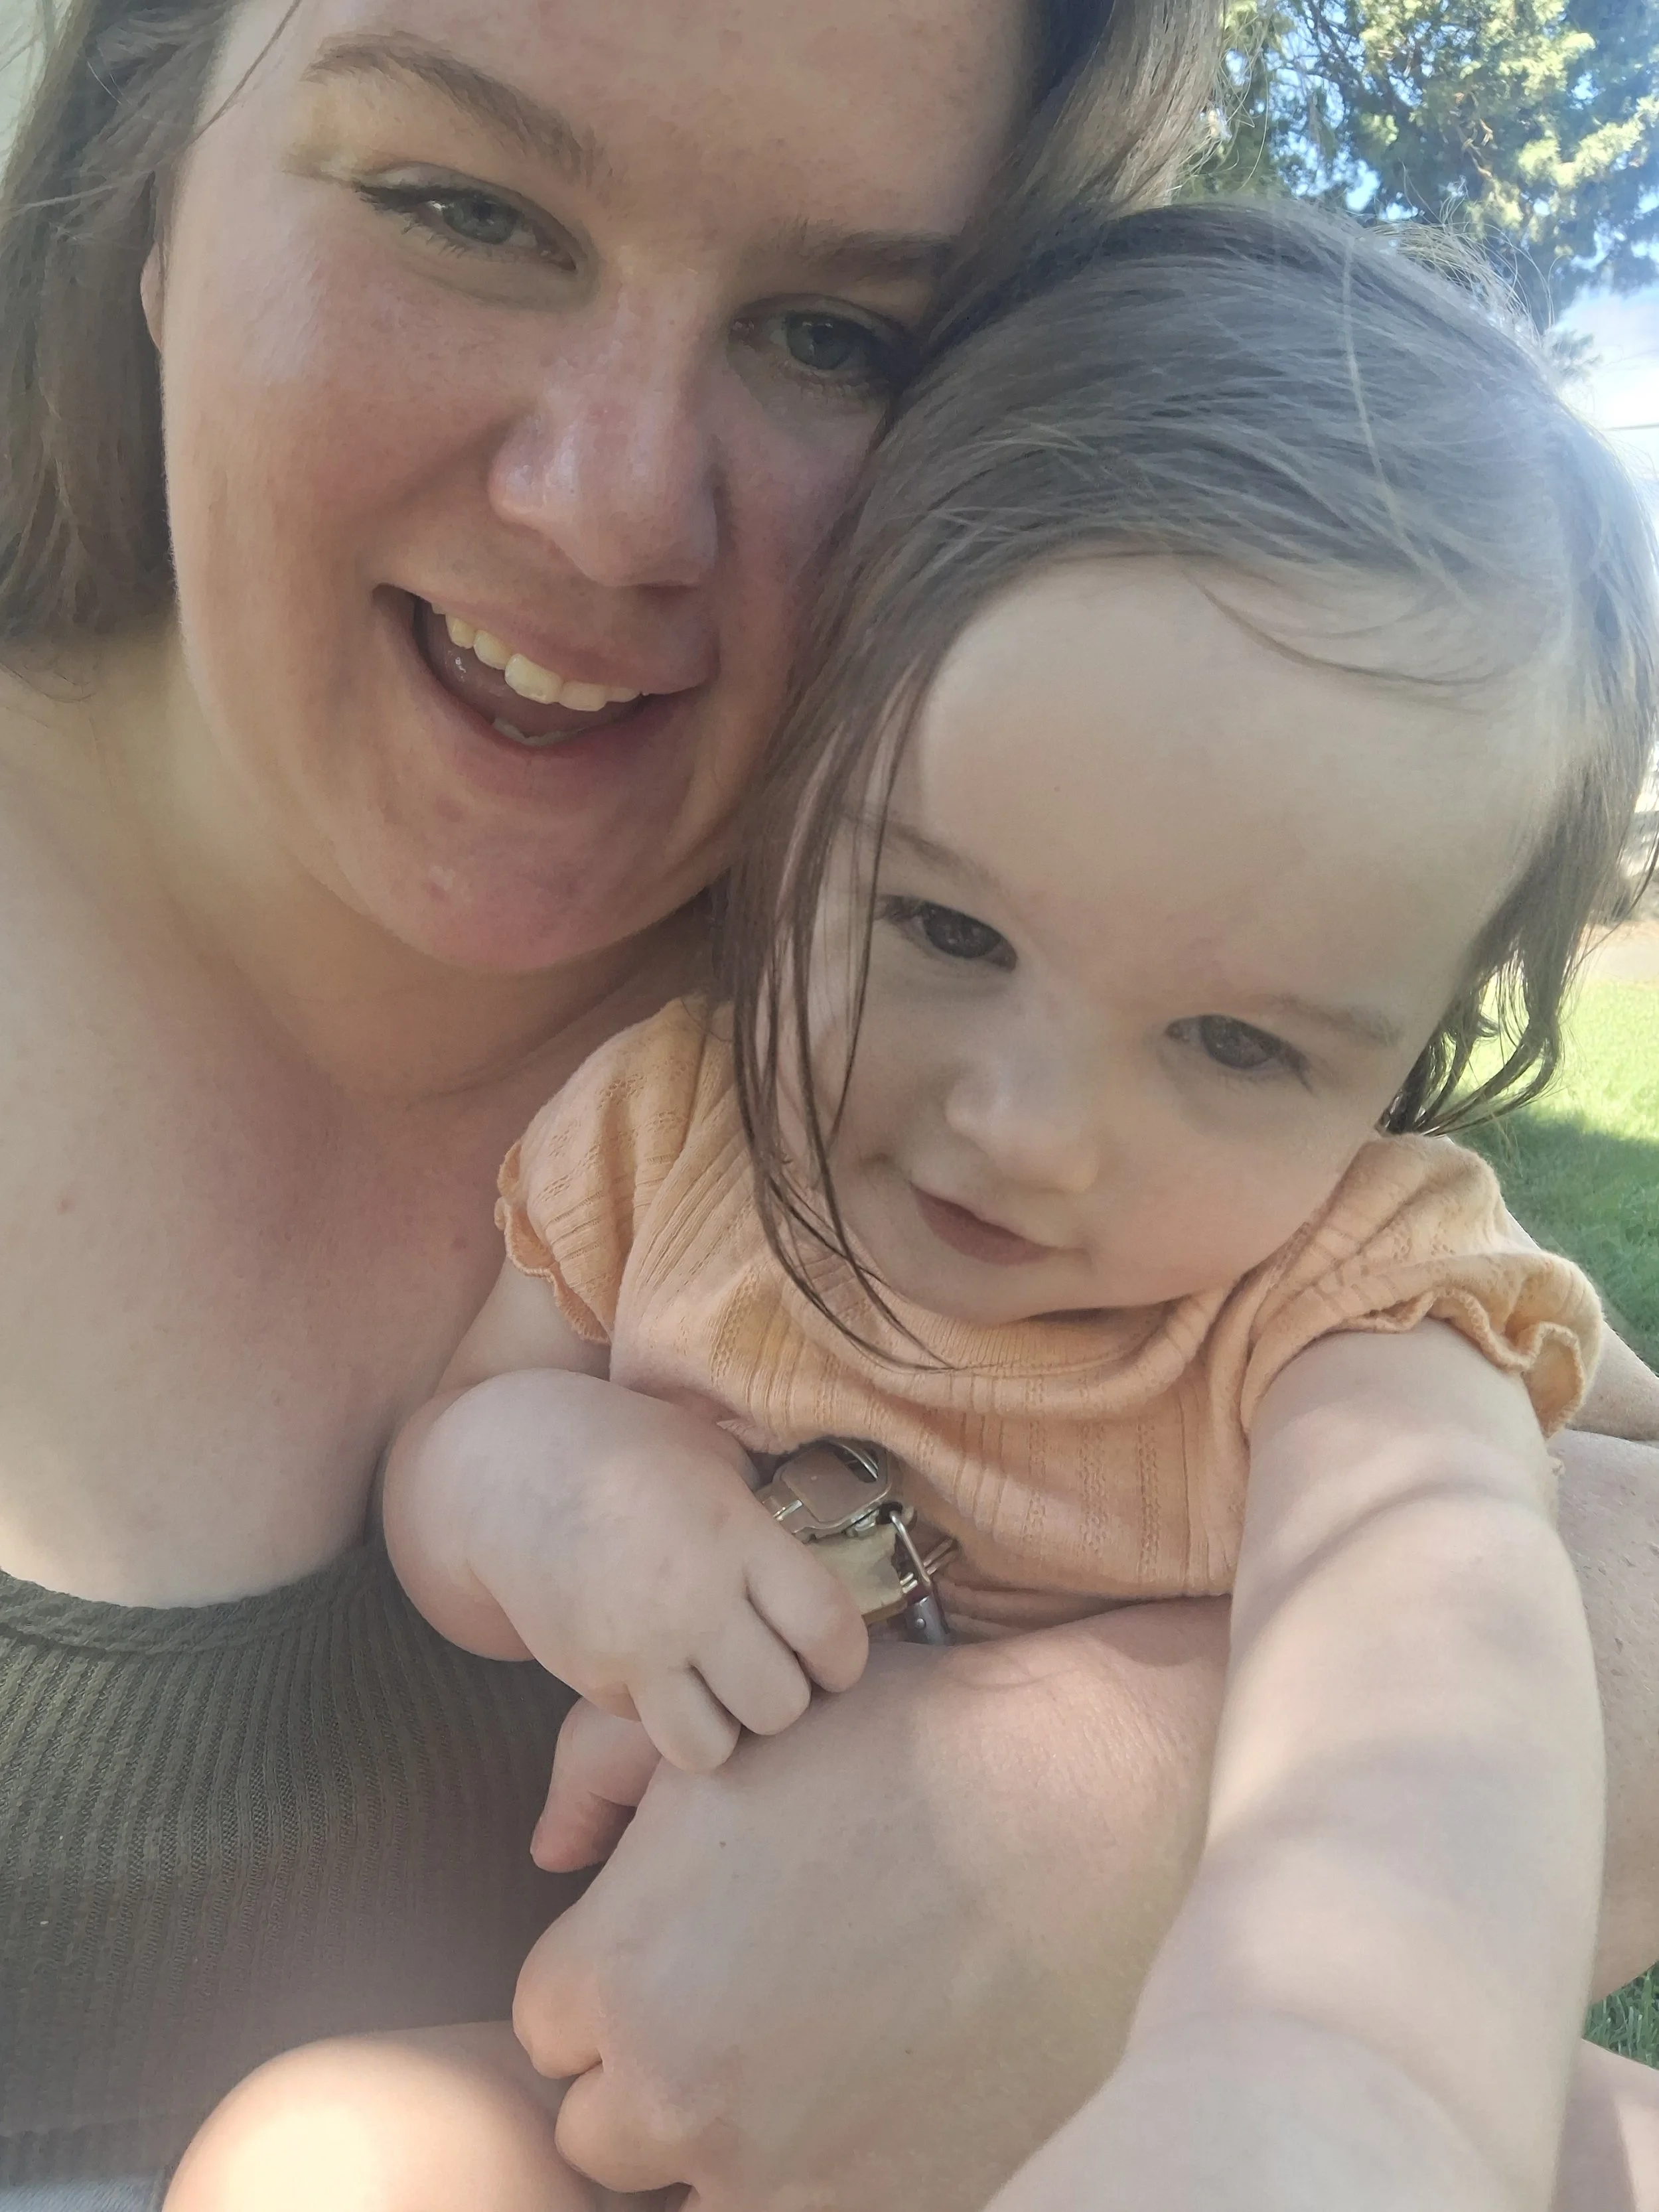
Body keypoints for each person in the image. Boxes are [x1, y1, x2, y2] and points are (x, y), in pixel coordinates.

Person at [1, 0, 1658, 2205]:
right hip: (604, 2106)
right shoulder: (698, 1123)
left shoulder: (1321, 1272)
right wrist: (573, 1498)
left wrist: (1318, 2051)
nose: (1032, 1125)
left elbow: (1442, 1602)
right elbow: (475, 1444)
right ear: (140, 189)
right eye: (460, 205)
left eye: (830, 333)